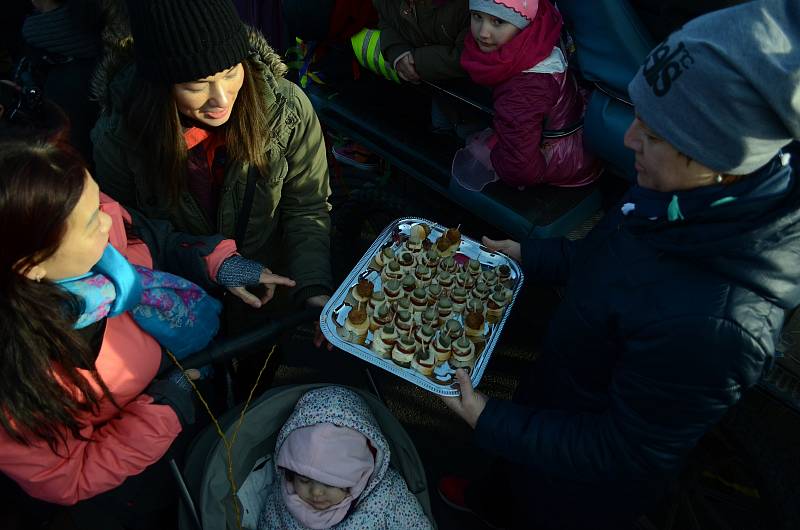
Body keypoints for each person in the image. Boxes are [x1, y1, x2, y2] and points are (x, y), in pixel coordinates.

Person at [440, 1, 800, 528]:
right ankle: (494, 499)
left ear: (717, 164)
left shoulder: (720, 326)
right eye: (640, 117)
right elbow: (612, 256)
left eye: (652, 135)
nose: (629, 139)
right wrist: (531, 255)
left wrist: (491, 420)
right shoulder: (678, 191)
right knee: (510, 486)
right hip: (560, 394)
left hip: (577, 490)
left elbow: (621, 451)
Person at [0, 140, 294, 512]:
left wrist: (219, 262)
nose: (108, 217)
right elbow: (68, 476)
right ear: (31, 266)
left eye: (98, 202)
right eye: (92, 221)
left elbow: (155, 239)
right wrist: (165, 406)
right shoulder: (19, 382)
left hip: (196, 371)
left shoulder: (90, 228)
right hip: (150, 466)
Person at [90, 0, 333, 349]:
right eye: (196, 85)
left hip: (267, 294)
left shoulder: (288, 110)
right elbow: (130, 234)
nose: (220, 98)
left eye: (232, 72)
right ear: (161, 86)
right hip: (183, 305)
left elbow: (307, 207)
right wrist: (209, 262)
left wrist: (312, 289)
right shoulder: (119, 136)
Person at [452, 0, 600, 191]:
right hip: (569, 131)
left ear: (523, 22)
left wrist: (495, 157)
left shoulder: (523, 90)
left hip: (562, 161)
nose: (483, 33)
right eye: (477, 16)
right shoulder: (537, 39)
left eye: (498, 22)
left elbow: (520, 168)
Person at [257, 386, 432, 529]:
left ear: (358, 476)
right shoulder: (282, 499)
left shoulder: (387, 496)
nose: (316, 492)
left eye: (330, 483)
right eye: (303, 480)